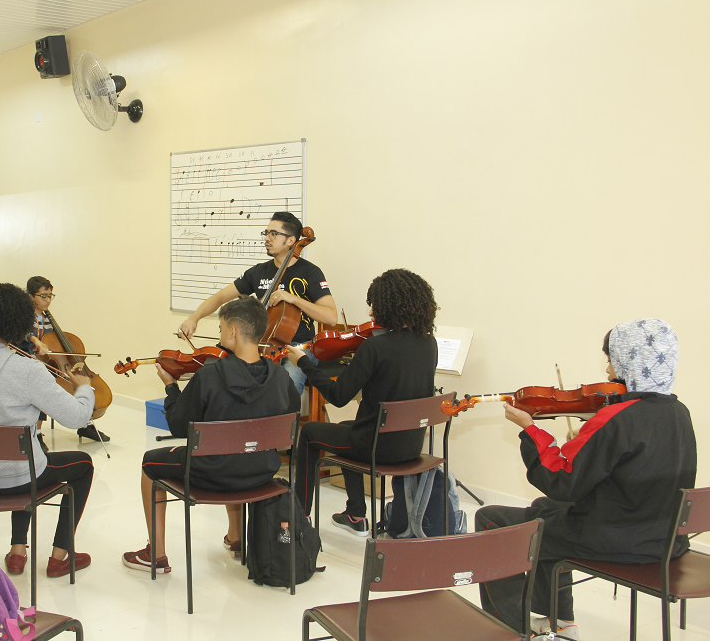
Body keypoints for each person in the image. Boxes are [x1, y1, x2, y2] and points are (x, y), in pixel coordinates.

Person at [476, 319, 695, 641]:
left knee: (492, 519)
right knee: (544, 510)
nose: (608, 371)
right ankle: (561, 623)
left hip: (617, 539)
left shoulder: (618, 418)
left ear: (628, 360)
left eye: (611, 359)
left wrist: (529, 428)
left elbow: (560, 480)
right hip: (663, 538)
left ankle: (509, 629)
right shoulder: (679, 412)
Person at [122, 296, 301, 573]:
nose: (219, 335)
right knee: (241, 451)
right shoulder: (281, 378)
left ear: (233, 331)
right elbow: (290, 414)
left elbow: (178, 427)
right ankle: (236, 538)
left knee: (150, 463)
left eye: (220, 329)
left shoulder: (210, 375)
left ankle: (155, 554)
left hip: (212, 475)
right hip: (261, 472)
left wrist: (171, 388)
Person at [0, 283, 95, 578]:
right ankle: (60, 556)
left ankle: (17, 551)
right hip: (18, 476)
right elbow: (77, 418)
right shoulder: (27, 369)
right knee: (81, 465)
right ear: (20, 322)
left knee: (26, 450)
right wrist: (85, 389)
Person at [288, 269, 439, 537]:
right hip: (410, 444)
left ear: (389, 306)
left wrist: (305, 363)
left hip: (376, 447)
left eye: (375, 306)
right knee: (348, 426)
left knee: (311, 432)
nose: (371, 314)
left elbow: (337, 395)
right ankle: (355, 515)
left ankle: (300, 514)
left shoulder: (375, 347)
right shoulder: (429, 343)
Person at [179, 211, 337, 394]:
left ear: (292, 240)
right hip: (262, 345)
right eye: (266, 233)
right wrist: (194, 318)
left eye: (274, 234)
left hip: (300, 347)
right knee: (218, 371)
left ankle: (282, 423)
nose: (267, 238)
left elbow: (330, 317)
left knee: (286, 386)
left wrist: (293, 298)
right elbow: (221, 297)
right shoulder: (259, 272)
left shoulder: (310, 272)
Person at [19, 276, 109, 443]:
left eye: (50, 296)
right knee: (42, 388)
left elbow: (54, 341)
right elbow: (21, 333)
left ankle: (85, 424)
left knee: (73, 381)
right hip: (28, 364)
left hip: (49, 364)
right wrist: (35, 340)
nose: (47, 301)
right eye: (43, 296)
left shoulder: (48, 318)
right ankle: (36, 435)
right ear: (31, 296)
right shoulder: (23, 317)